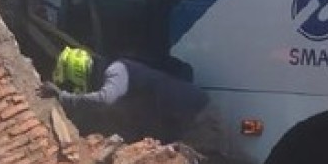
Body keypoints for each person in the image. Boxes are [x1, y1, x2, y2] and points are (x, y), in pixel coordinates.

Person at [42, 46, 223, 155]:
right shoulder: (120, 85)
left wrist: (63, 97)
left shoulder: (117, 70)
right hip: (187, 121)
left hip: (198, 119)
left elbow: (105, 99)